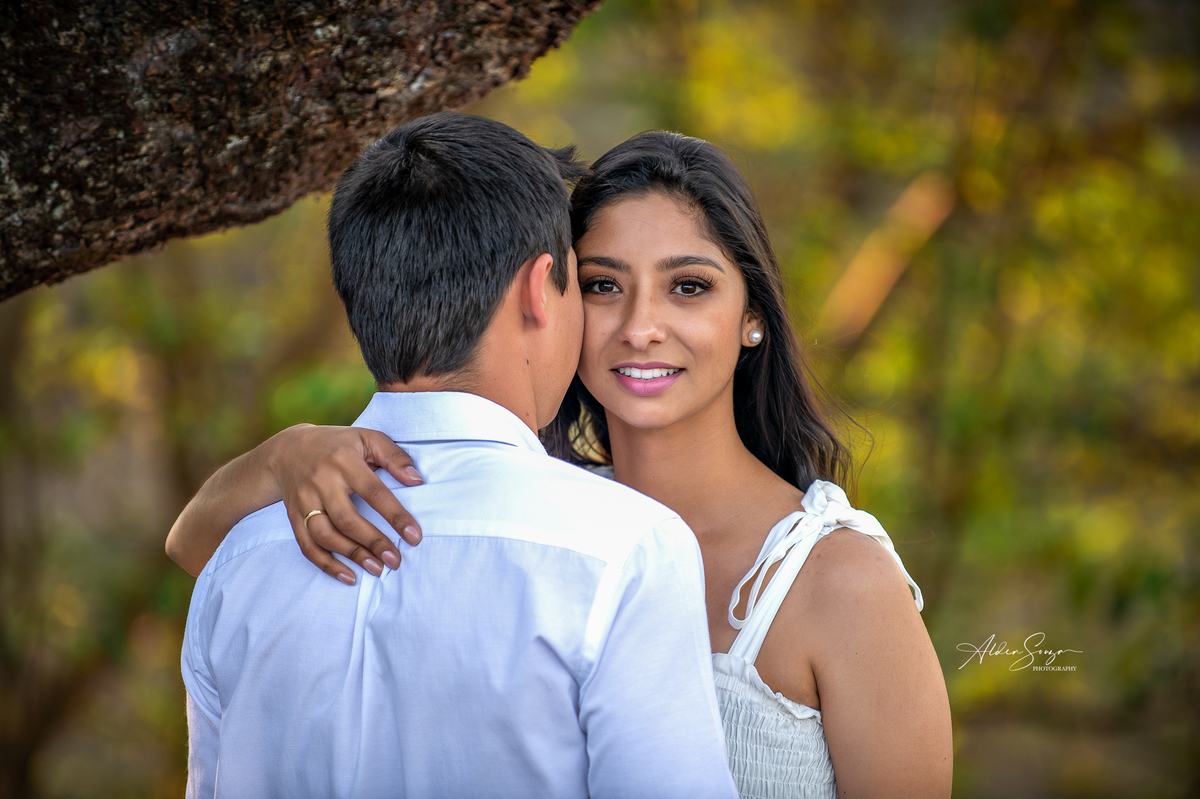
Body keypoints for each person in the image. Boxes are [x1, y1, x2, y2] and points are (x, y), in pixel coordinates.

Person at [170, 130, 953, 797]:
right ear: (554, 297)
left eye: (688, 287)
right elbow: (210, 554)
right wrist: (283, 455)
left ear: (752, 316)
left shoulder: (840, 578)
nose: (643, 326)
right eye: (606, 284)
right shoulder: (537, 525)